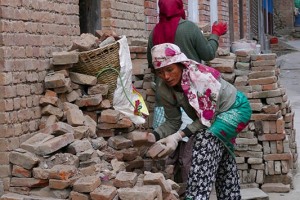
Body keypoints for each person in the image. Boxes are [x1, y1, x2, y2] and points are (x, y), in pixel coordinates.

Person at [149, 43, 252, 199]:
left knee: (205, 141)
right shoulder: (164, 89)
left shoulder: (201, 77)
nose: (166, 76)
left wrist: (177, 137)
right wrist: (153, 137)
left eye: (170, 70)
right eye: (160, 72)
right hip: (212, 118)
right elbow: (172, 121)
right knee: (222, 159)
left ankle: (196, 196)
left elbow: (206, 119)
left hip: (235, 108)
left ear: (181, 64)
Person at [147, 0, 228, 184]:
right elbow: (207, 53)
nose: (166, 74)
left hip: (166, 100)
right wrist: (215, 35)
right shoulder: (189, 28)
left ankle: (170, 188)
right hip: (194, 99)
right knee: (190, 153)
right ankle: (190, 188)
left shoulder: (154, 33)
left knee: (169, 153)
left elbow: (151, 65)